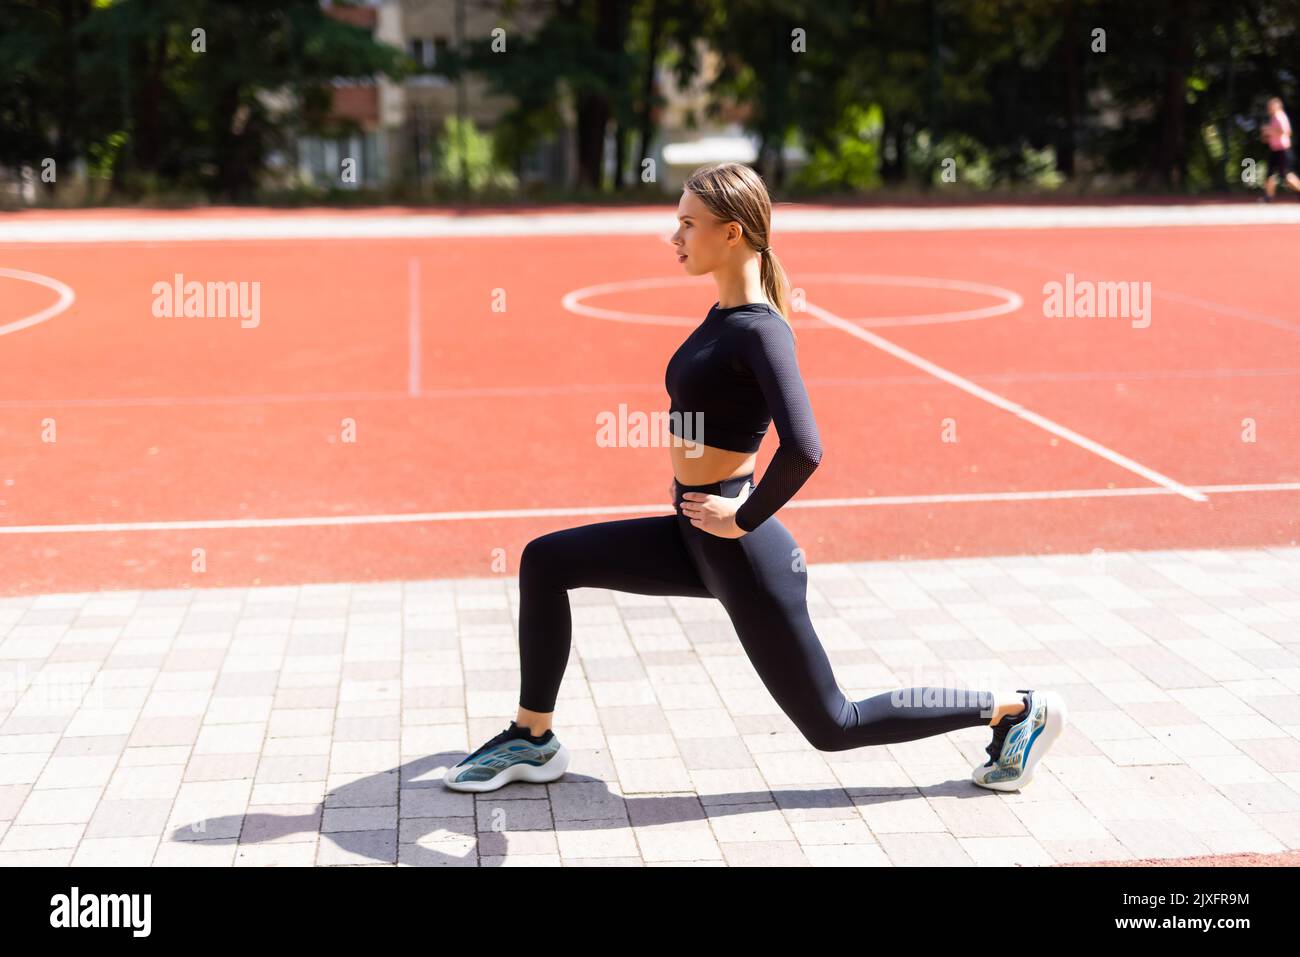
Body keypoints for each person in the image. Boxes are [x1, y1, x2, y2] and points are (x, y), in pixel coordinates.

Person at [443, 161, 1067, 794]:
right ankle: (533, 738)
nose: (674, 236)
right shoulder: (723, 316)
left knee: (834, 724)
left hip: (741, 548)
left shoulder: (761, 331)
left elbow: (804, 449)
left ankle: (1015, 709)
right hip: (695, 533)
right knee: (545, 562)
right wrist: (698, 495)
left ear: (733, 232)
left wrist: (738, 518)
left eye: (688, 223)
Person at [1260, 97, 1300, 201]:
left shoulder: (1280, 116)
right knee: (1269, 174)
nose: (1269, 108)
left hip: (1282, 150)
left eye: (1271, 106)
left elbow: (1286, 131)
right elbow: (1273, 134)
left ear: (1276, 106)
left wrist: (1269, 130)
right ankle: (1269, 197)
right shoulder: (1273, 117)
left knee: (1286, 176)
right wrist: (1267, 134)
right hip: (1275, 149)